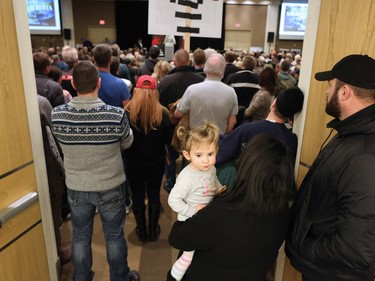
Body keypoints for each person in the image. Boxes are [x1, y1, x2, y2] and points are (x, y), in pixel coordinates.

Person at [285, 54, 375, 281]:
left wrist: (303, 247)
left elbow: (356, 250)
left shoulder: (365, 155)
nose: (326, 92)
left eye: (330, 86)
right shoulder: (352, 133)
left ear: (344, 92)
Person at [51, 61, 139, 281]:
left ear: (72, 82)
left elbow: (61, 144)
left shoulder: (57, 115)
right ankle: (120, 276)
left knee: (80, 237)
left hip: (77, 185)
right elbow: (127, 143)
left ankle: (81, 277)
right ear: (98, 83)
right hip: (110, 184)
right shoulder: (115, 114)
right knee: (114, 236)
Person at [168, 134, 296, 281]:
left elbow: (177, 238)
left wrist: (189, 213)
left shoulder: (219, 213)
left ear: (246, 166)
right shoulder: (284, 212)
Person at [167, 121, 225, 281]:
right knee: (188, 255)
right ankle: (173, 277)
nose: (206, 160)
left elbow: (214, 181)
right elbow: (173, 200)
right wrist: (191, 211)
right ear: (187, 155)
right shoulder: (188, 178)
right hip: (190, 220)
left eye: (210, 154)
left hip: (206, 217)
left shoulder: (211, 168)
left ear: (217, 151)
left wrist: (220, 189)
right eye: (199, 155)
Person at [124, 75, 173, 242]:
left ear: (136, 91)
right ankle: (153, 230)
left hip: (132, 162)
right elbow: (168, 140)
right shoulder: (164, 113)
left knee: (137, 194)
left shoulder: (127, 113)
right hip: (156, 162)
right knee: (153, 193)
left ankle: (141, 229)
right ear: (155, 92)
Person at [216, 87, 304, 167]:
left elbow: (221, 153)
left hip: (245, 181)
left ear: (273, 104)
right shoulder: (292, 141)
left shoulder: (247, 130)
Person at [157, 49, 205, 193]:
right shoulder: (201, 82)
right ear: (189, 62)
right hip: (193, 130)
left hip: (169, 129)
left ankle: (170, 183)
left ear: (175, 62)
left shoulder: (165, 82)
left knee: (170, 159)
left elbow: (158, 106)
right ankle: (185, 185)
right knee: (188, 157)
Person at [38, 95, 71, 267]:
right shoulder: (40, 102)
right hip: (48, 170)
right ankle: (55, 255)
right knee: (52, 213)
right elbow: (56, 138)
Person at [174, 53, 238, 135]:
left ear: (205, 68)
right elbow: (232, 122)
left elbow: (178, 114)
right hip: (218, 140)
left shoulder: (192, 89)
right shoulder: (231, 92)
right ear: (223, 70)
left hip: (195, 140)